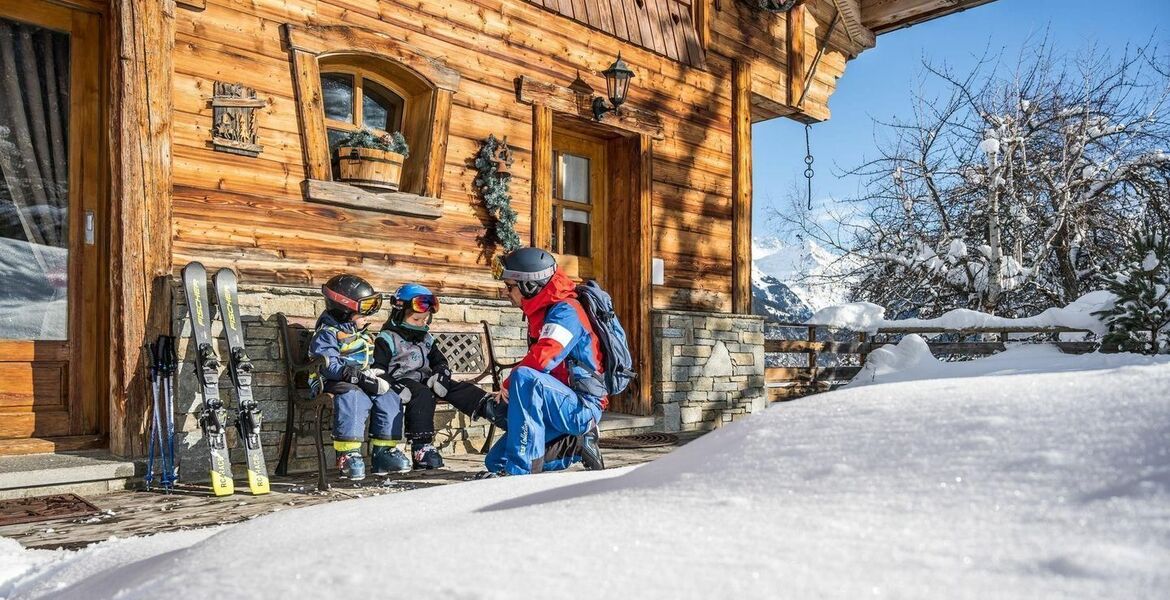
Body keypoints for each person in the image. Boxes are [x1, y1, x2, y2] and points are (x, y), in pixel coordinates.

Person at [481, 247, 605, 477]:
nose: (506, 292)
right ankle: (574, 445)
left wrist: (507, 386)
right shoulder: (542, 311)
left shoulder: (566, 311)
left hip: (582, 406)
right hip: (556, 403)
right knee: (495, 462)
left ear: (529, 286)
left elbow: (544, 357)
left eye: (510, 287)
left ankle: (522, 473)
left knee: (524, 377)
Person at [373, 283, 507, 470]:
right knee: (422, 394)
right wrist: (392, 386)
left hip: (426, 379)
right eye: (416, 319)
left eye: (425, 319)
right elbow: (378, 367)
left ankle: (494, 410)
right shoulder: (387, 338)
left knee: (455, 387)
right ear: (398, 313)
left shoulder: (427, 338)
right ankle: (422, 447)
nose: (422, 323)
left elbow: (440, 362)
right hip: (402, 381)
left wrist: (441, 375)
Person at [308, 274, 410, 480]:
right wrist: (356, 376)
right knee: (354, 396)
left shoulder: (361, 332)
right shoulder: (327, 333)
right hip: (332, 381)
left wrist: (372, 373)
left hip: (357, 380)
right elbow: (329, 365)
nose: (369, 316)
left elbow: (366, 360)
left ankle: (383, 452)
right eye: (364, 310)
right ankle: (348, 453)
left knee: (389, 395)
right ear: (344, 309)